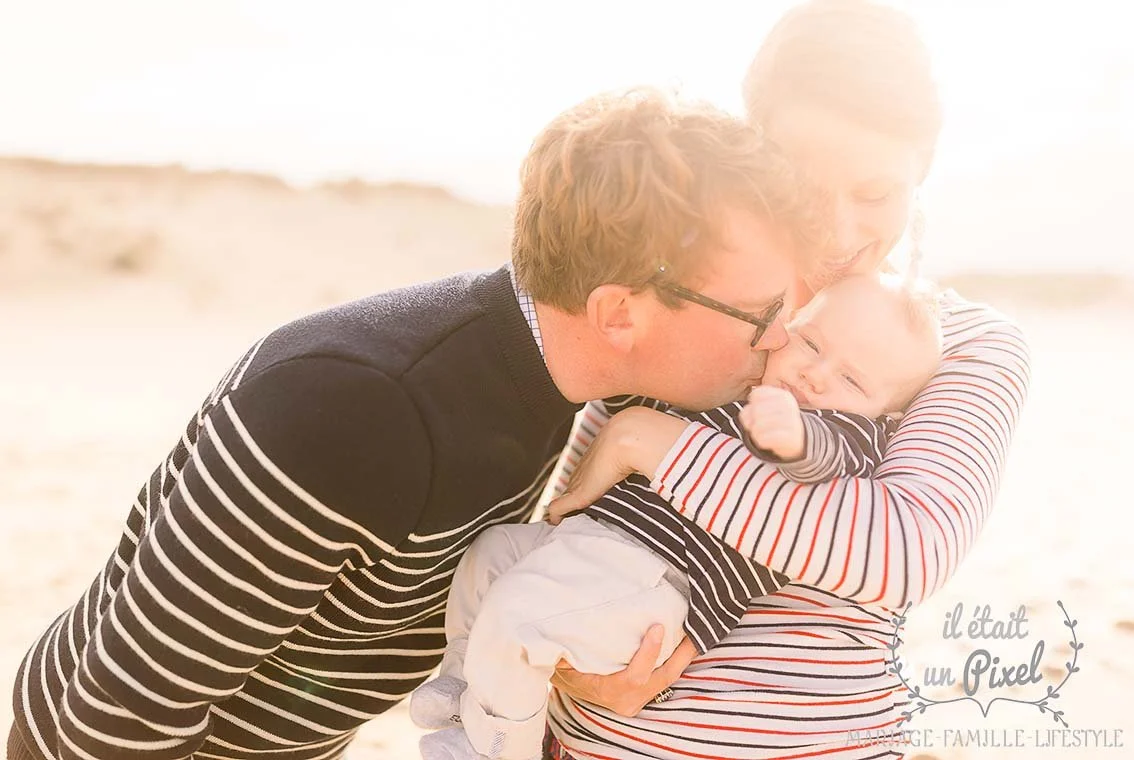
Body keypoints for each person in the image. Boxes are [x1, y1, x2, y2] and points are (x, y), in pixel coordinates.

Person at [5, 88, 813, 760]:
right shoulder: (350, 413)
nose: (781, 336)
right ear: (618, 313)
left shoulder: (558, 380)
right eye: (760, 312)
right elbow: (116, 720)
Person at [538, 2, 1032, 759]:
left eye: (873, 194)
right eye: (803, 183)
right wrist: (558, 663)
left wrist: (654, 441)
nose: (837, 233)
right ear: (754, 146)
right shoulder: (683, 295)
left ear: (924, 167)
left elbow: (903, 552)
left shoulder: (961, 346)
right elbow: (569, 511)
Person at [409, 272, 942, 760]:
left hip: (657, 583)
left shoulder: (849, 436)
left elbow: (823, 457)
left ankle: (498, 749)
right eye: (811, 343)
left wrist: (796, 434)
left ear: (887, 413)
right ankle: (464, 689)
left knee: (517, 617)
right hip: (593, 547)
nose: (815, 375)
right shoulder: (742, 379)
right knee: (490, 554)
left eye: (852, 380)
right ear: (788, 327)